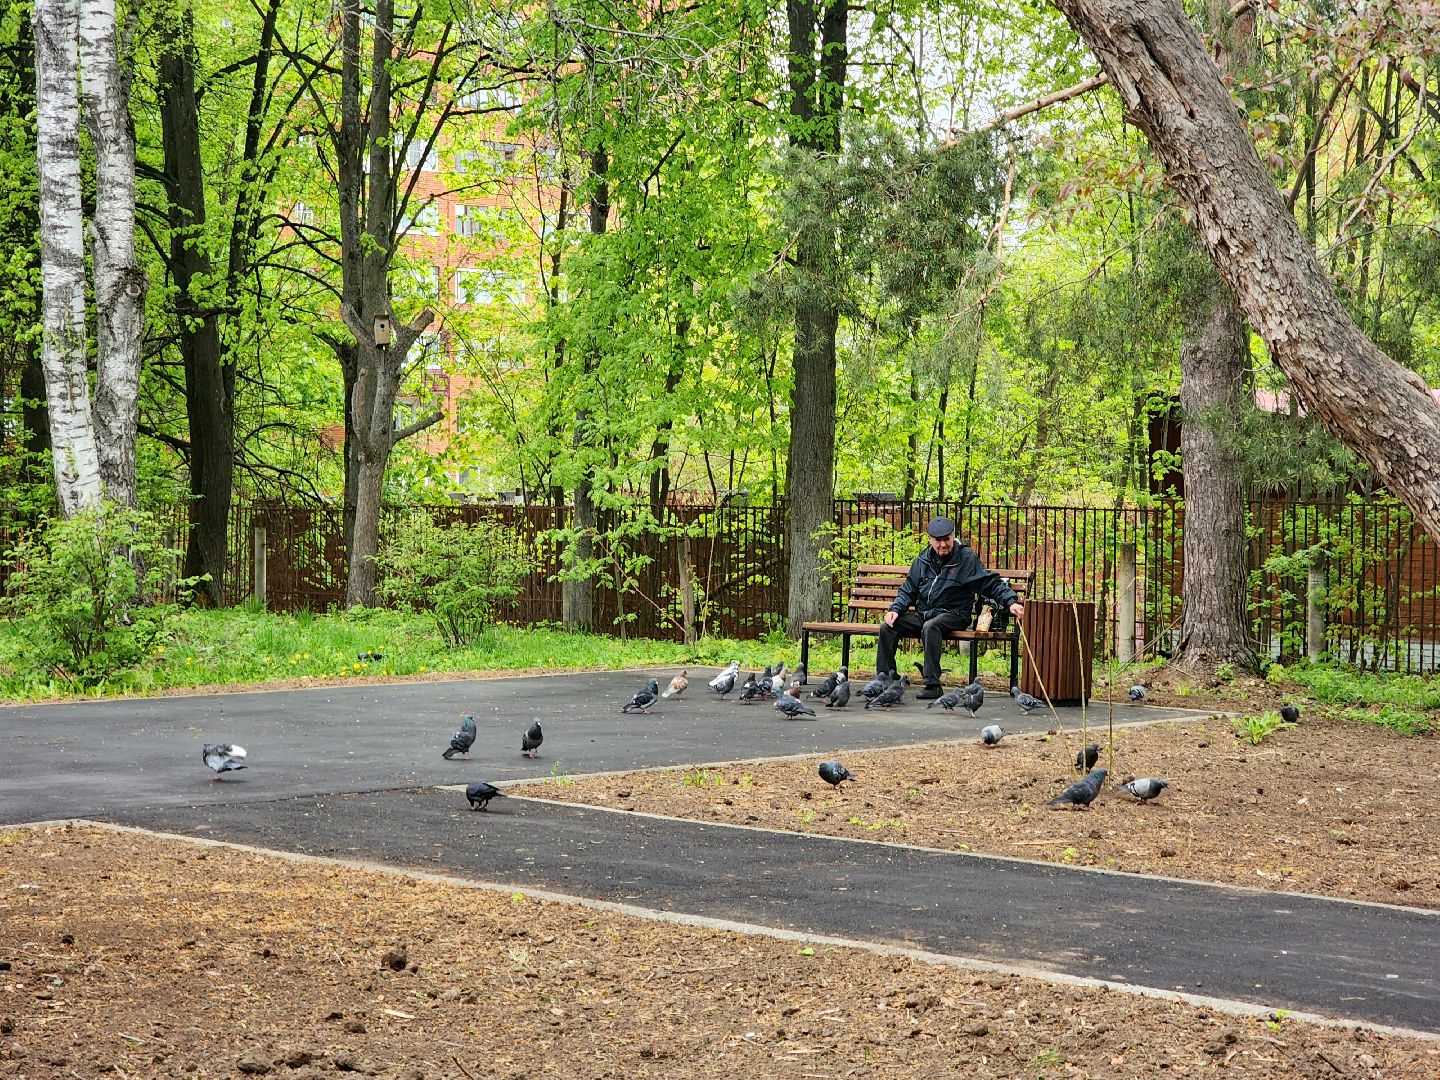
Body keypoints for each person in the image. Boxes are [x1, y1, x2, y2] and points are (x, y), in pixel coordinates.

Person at [875, 516, 1025, 700]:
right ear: (930, 539)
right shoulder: (922, 560)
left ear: (953, 536)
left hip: (954, 615)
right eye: (938, 541)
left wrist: (1011, 602)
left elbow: (990, 583)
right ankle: (885, 679)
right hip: (924, 613)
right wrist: (895, 609)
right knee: (888, 626)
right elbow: (908, 590)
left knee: (931, 626)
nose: (943, 545)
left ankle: (932, 684)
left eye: (947, 539)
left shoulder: (966, 558)